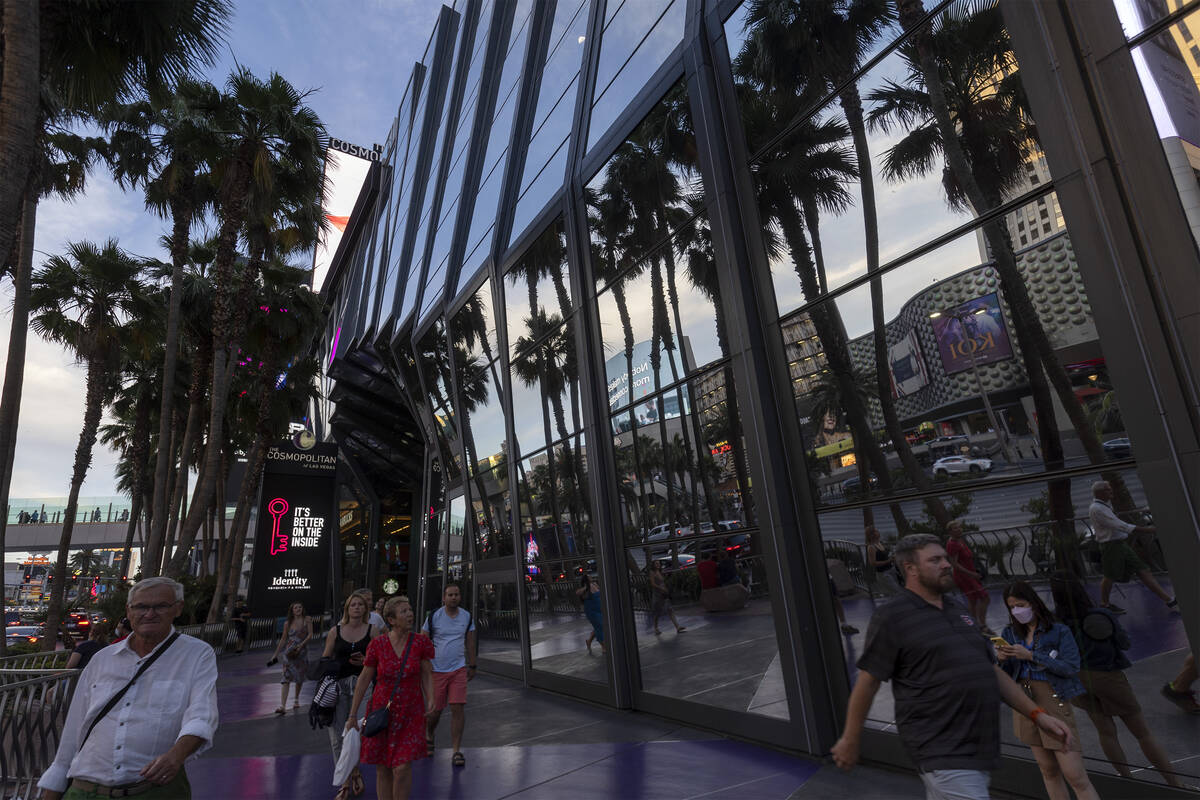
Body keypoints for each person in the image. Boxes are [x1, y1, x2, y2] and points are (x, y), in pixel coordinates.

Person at [831, 534, 1074, 800]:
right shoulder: (892, 617)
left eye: (945, 558)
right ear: (910, 569)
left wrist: (1038, 716)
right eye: (935, 560)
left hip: (977, 747)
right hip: (940, 747)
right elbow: (868, 682)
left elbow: (989, 671)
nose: (946, 564)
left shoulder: (958, 610)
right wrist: (851, 739)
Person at [36, 577, 218, 800]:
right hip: (85, 791)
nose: (149, 614)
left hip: (153, 792)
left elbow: (202, 716)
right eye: (141, 606)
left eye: (160, 606)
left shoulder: (196, 654)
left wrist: (175, 756)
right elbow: (74, 731)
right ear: (129, 611)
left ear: (177, 609)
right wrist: (52, 791)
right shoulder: (101, 660)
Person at [1050, 573, 1185, 788]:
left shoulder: (1055, 621)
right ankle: (1175, 784)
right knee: (1142, 733)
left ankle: (1126, 780)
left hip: (1077, 680)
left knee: (1106, 732)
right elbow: (1124, 643)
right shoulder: (1100, 616)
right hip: (1107, 677)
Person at [997, 581, 1099, 800]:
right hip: (1024, 701)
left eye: (1020, 605)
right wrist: (1002, 658)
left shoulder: (1058, 631)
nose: (1017, 611)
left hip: (1052, 698)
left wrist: (1032, 656)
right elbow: (1005, 673)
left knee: (1075, 775)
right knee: (1048, 770)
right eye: (1012, 607)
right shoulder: (1010, 632)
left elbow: (1071, 666)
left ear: (1033, 603)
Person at [345, 595, 434, 800]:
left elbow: (427, 673)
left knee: (402, 767)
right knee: (383, 766)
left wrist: (431, 698)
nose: (410, 614)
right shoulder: (378, 645)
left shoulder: (420, 642)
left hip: (411, 712)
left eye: (410, 609)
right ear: (391, 620)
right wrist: (352, 715)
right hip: (382, 711)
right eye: (404, 611)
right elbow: (364, 678)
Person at [1088, 480, 1176, 614]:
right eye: (1108, 489)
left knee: (1142, 570)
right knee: (1109, 576)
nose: (1111, 491)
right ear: (1099, 492)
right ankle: (1104, 604)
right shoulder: (1098, 508)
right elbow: (1120, 525)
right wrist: (1150, 530)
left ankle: (1169, 600)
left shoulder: (1102, 506)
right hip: (1111, 546)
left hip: (1119, 544)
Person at [322, 592, 378, 799]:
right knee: (337, 736)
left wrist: (366, 660)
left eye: (360, 605)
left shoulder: (373, 631)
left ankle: (352, 770)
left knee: (359, 731)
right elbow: (325, 659)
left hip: (363, 685)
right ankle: (348, 778)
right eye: (352, 604)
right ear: (347, 609)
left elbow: (383, 657)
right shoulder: (335, 632)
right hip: (338, 686)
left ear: (365, 609)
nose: (356, 607)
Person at [421, 582, 477, 767]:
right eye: (450, 595)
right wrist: (424, 665)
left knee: (457, 708)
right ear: (444, 598)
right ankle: (429, 734)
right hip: (437, 670)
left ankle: (456, 750)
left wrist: (473, 664)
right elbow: (423, 640)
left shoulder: (466, 617)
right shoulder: (434, 617)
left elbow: (470, 641)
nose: (454, 597)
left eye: (457, 594)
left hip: (458, 669)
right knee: (435, 712)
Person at [945, 520, 992, 633]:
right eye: (955, 528)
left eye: (960, 527)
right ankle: (981, 625)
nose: (959, 529)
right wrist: (972, 574)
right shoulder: (952, 544)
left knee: (973, 600)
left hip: (969, 574)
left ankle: (976, 626)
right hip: (965, 576)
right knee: (984, 598)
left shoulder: (959, 540)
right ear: (950, 531)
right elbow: (954, 564)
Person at [269, 601, 312, 714]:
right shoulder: (287, 623)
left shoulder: (307, 619)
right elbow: (283, 639)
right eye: (296, 608)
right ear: (292, 611)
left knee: (299, 677)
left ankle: (296, 699)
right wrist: (275, 654)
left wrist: (301, 645)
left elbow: (310, 635)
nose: (298, 609)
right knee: (286, 677)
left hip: (302, 652)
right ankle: (282, 706)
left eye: (300, 607)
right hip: (289, 653)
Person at [648, 561, 686, 635]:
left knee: (670, 609)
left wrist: (665, 589)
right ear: (653, 565)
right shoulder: (652, 572)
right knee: (657, 612)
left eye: (659, 563)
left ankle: (677, 627)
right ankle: (656, 628)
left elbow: (663, 582)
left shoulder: (660, 572)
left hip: (663, 593)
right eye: (656, 564)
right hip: (657, 594)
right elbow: (652, 584)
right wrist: (661, 588)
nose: (658, 565)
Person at [864, 526, 900, 597]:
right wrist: (888, 561)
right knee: (896, 591)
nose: (878, 532)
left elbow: (883, 557)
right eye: (876, 531)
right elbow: (873, 563)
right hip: (883, 574)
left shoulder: (880, 543)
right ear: (872, 535)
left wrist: (891, 558)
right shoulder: (871, 547)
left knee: (894, 593)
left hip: (891, 570)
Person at [576, 573, 605, 655]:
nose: (591, 577)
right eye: (589, 577)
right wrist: (585, 588)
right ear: (586, 579)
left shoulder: (595, 584)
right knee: (600, 627)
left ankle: (589, 641)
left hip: (599, 609)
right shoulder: (585, 589)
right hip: (592, 611)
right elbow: (577, 593)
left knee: (598, 627)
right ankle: (603, 646)